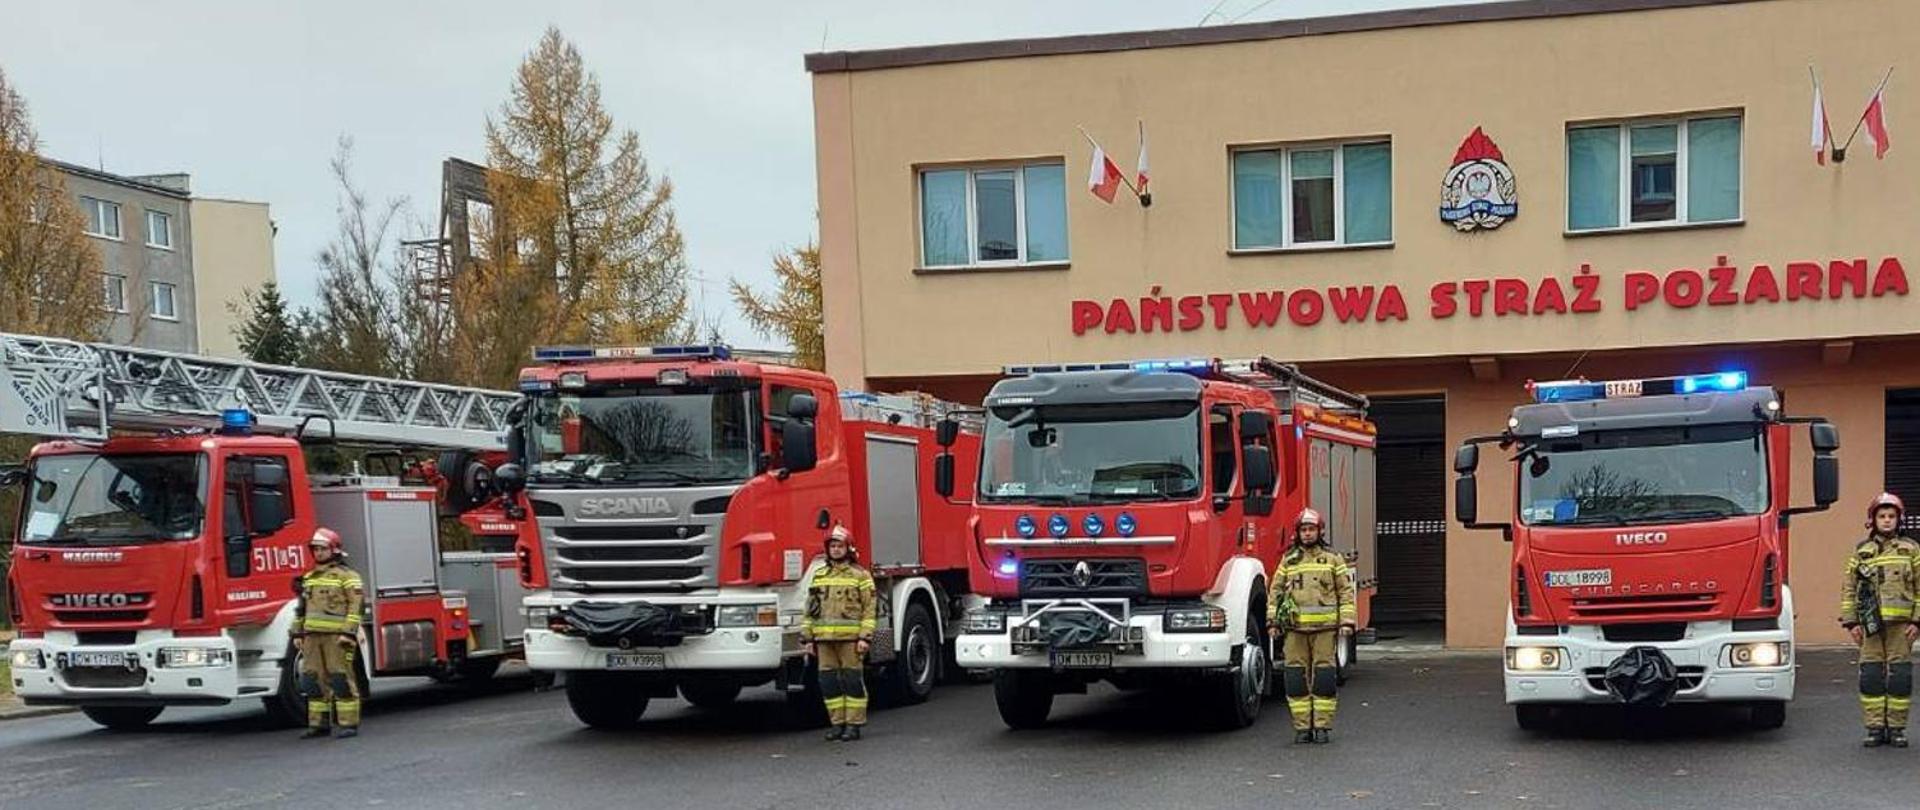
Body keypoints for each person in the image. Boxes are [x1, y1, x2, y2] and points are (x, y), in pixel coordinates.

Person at [1267, 508, 1357, 744]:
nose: (1307, 534)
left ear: (1320, 531)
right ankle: (1302, 728)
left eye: (1311, 529)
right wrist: (1273, 622)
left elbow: (1345, 593)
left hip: (1325, 630)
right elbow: (1275, 592)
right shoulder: (1288, 561)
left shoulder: (1333, 560)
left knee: (1324, 677)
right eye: (1303, 530)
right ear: (1298, 533)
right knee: (1295, 678)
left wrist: (1346, 623)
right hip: (1294, 631)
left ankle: (1322, 727)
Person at [1842, 493, 1920, 748]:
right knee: (1871, 676)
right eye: (1882, 516)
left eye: (1891, 516)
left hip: (1901, 627)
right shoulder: (1861, 551)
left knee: (1900, 677)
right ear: (1873, 520)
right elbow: (1849, 588)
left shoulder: (1911, 549)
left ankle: (1896, 728)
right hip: (1870, 627)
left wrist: (1916, 622)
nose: (1887, 521)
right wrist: (1852, 623)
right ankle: (1875, 728)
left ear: (1899, 520)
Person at [801, 524, 876, 742]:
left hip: (851, 641)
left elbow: (869, 609)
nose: (835, 550)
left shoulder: (860, 575)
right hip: (824, 641)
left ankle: (853, 725)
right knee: (828, 682)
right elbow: (810, 609)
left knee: (852, 681)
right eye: (832, 546)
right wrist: (807, 638)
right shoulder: (819, 575)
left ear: (849, 548)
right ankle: (837, 724)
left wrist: (865, 637)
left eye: (839, 546)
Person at [296, 528, 366, 739]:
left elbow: (356, 606)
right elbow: (301, 608)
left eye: (322, 549)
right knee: (312, 680)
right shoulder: (309, 578)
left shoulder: (348, 577)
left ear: (333, 550)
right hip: (311, 637)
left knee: (340, 678)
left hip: (337, 637)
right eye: (315, 549)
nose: (318, 553)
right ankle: (319, 724)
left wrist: (349, 633)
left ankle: (348, 723)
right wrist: (297, 634)